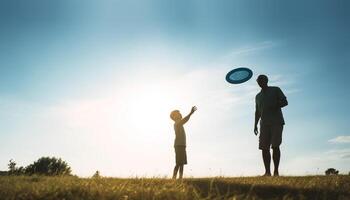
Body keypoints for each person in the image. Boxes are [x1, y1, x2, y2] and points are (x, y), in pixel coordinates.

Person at [254, 75, 288, 176]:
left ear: (266, 80)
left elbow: (285, 102)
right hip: (264, 124)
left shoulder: (275, 89)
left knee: (275, 146)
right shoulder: (258, 96)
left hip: (276, 122)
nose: (260, 82)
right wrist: (255, 125)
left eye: (262, 80)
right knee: (264, 148)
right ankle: (267, 172)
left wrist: (275, 105)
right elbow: (257, 112)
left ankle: (276, 171)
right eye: (258, 81)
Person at [170, 106, 197, 179]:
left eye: (180, 113)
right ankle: (174, 178)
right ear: (174, 117)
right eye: (178, 114)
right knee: (178, 163)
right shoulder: (177, 123)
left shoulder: (179, 123)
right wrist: (191, 113)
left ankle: (180, 178)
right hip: (179, 145)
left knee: (181, 163)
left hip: (182, 145)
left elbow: (184, 120)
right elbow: (185, 120)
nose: (180, 114)